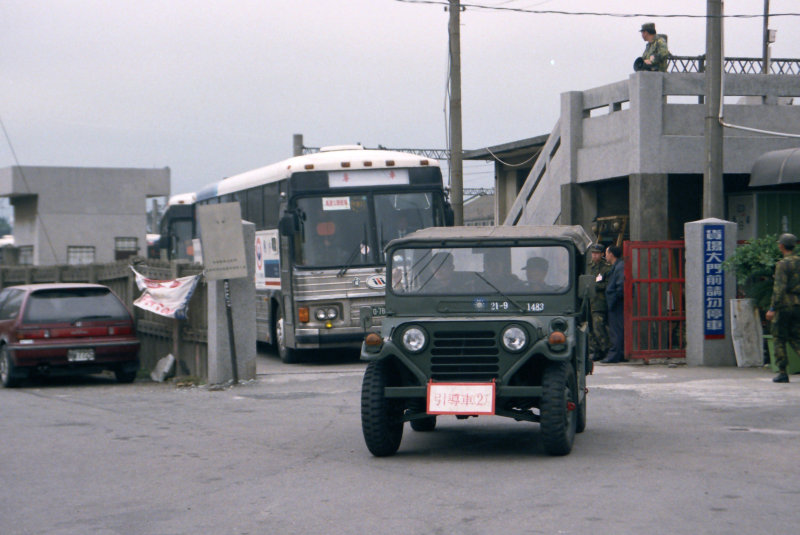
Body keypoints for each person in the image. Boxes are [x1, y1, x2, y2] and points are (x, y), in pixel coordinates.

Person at [766, 233, 800, 383]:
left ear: (781, 246)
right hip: (798, 304)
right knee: (796, 337)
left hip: (784, 305)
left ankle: (782, 372)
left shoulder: (782, 264)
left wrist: (773, 308)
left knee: (779, 337)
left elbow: (779, 289)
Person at [588, 243, 612, 362]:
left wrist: (595, 286)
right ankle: (595, 349)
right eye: (593, 253)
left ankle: (605, 349)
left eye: (597, 253)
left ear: (602, 254)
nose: (594, 256)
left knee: (599, 327)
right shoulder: (589, 267)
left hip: (599, 302)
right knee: (590, 328)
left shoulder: (606, 268)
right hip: (589, 301)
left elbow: (608, 284)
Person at [602, 245, 626, 363]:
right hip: (614, 302)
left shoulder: (620, 267)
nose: (605, 255)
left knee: (616, 330)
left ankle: (615, 355)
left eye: (606, 253)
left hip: (617, 304)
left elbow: (621, 286)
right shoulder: (615, 266)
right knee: (616, 329)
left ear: (611, 254)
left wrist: (614, 299)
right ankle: (619, 353)